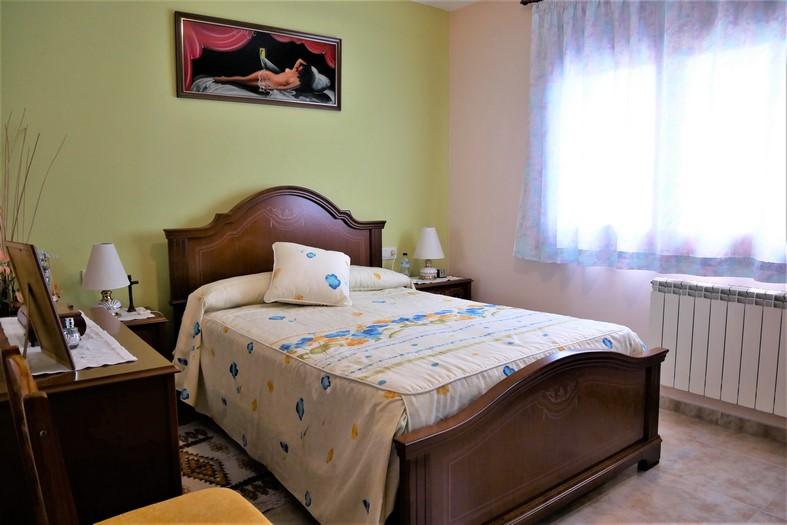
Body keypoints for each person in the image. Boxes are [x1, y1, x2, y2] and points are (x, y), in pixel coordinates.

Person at [215, 58, 315, 91]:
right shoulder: (294, 71)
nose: (299, 67)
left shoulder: (298, 82)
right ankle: (225, 79)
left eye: (301, 68)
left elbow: (285, 88)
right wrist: (308, 66)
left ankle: (227, 80)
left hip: (269, 84)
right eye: (301, 67)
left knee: (245, 83)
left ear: (305, 73)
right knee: (244, 79)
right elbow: (299, 60)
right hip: (267, 75)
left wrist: (273, 88)